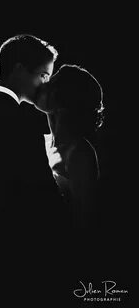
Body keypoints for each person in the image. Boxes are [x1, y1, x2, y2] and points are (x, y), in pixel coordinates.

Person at [0, 34, 65, 215]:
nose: (45, 85)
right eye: (43, 75)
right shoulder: (22, 126)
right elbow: (45, 197)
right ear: (19, 70)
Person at [35, 64, 105, 230]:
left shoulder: (80, 153)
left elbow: (86, 223)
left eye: (50, 84)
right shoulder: (42, 142)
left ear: (63, 99)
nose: (42, 86)